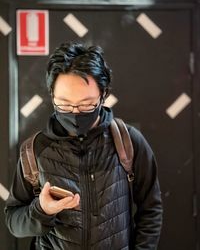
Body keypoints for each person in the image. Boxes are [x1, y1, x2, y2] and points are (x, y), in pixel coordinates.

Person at [5, 42, 162, 250]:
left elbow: (151, 210)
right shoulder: (34, 150)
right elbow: (13, 222)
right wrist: (41, 210)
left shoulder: (128, 141)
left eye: (87, 104)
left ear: (103, 95)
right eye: (64, 104)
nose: (75, 112)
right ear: (52, 95)